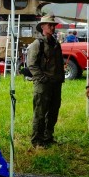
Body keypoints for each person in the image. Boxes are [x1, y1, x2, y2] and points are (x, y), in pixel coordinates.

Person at [27, 14, 65, 149]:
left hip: (55, 83)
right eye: (50, 25)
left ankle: (48, 137)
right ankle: (37, 141)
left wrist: (60, 78)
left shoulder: (55, 43)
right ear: (43, 26)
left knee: (53, 112)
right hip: (43, 84)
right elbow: (31, 64)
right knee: (40, 113)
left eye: (54, 25)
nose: (53, 27)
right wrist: (42, 78)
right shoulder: (38, 43)